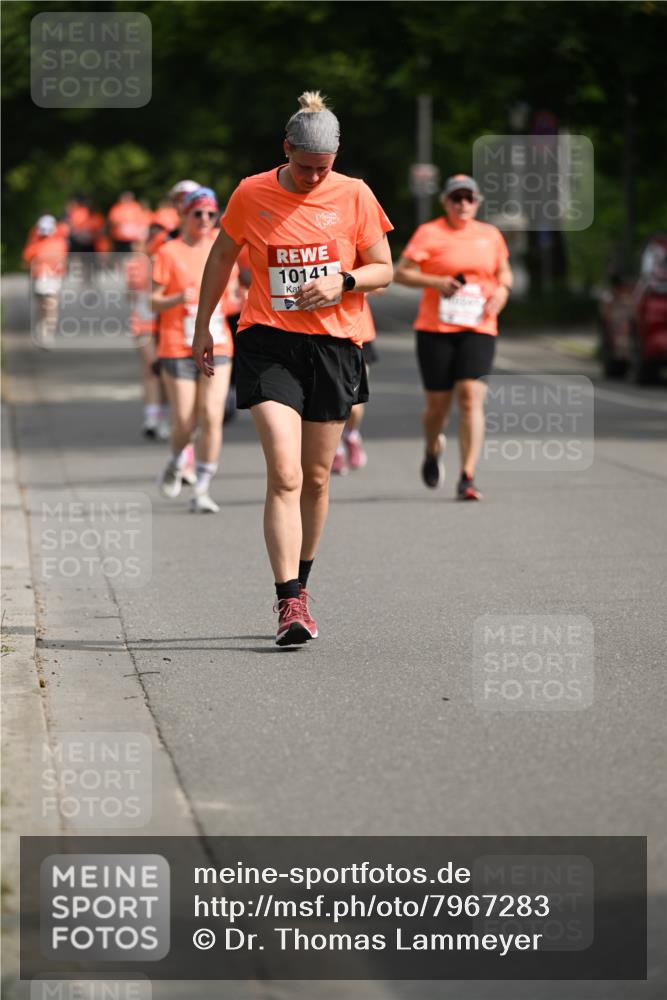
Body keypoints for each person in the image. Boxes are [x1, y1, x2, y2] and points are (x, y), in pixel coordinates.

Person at [192, 90, 393, 646]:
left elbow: (384, 269)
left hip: (335, 348)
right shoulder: (251, 192)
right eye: (303, 168)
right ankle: (287, 602)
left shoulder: (354, 195)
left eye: (322, 169)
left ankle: (303, 585)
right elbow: (221, 258)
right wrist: (203, 324)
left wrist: (343, 281)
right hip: (269, 342)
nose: (311, 178)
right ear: (286, 150)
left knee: (318, 477)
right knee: (284, 472)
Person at [394, 173, 512, 500]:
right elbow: (400, 273)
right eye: (456, 198)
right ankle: (433, 449)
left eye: (469, 198)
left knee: (471, 396)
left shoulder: (490, 235)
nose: (463, 204)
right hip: (436, 329)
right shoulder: (429, 233)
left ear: (478, 202)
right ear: (445, 201)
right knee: (437, 408)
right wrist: (435, 282)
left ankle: (467, 476)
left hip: (479, 326)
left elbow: (505, 272)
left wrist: (503, 290)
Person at [152, 187, 235, 513]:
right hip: (177, 345)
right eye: (196, 213)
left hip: (219, 343)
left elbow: (235, 294)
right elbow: (152, 300)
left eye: (210, 214)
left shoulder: (224, 245)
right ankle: (175, 460)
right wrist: (179, 298)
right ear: (183, 216)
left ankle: (202, 487)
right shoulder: (168, 251)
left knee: (212, 415)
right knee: (185, 422)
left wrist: (237, 301)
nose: (204, 219)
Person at [331, 292, 382, 474]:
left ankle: (351, 435)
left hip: (357, 332)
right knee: (330, 399)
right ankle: (335, 450)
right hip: (321, 332)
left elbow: (382, 282)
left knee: (354, 403)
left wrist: (349, 283)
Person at [22, 215, 69, 348]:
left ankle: (48, 331)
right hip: (39, 277)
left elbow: (64, 260)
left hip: (54, 278)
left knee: (51, 304)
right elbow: (27, 260)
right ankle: (41, 325)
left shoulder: (60, 242)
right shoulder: (35, 242)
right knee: (41, 305)